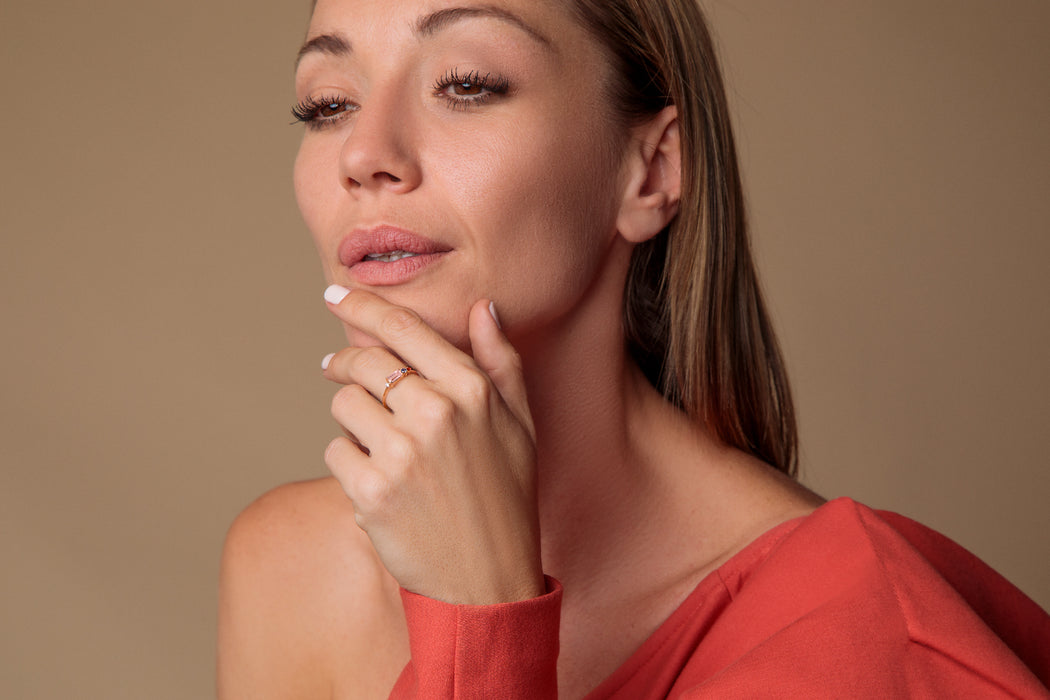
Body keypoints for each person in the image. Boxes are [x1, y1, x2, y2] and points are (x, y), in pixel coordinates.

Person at [217, 0, 1050, 697]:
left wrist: (481, 627)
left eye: (466, 85)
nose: (364, 156)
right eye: (327, 105)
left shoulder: (869, 638)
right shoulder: (291, 568)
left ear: (649, 170)